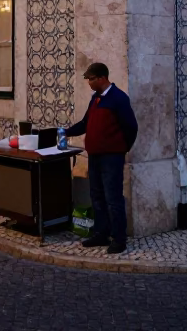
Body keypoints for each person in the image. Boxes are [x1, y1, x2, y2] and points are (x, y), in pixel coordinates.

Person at [64, 62, 138, 254]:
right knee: (97, 196)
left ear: (102, 78)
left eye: (91, 78)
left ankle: (119, 239)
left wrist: (121, 148)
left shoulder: (119, 99)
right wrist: (65, 132)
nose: (88, 82)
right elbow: (85, 123)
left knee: (113, 198)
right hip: (95, 157)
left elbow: (131, 127)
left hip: (111, 158)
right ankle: (101, 233)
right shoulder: (95, 99)